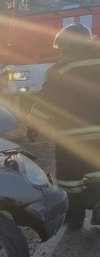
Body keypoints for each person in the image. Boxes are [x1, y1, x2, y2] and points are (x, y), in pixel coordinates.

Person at [27, 23, 100, 228]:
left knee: (70, 178)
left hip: (71, 135)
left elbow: (47, 101)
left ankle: (74, 215)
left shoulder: (61, 68)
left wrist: (34, 124)